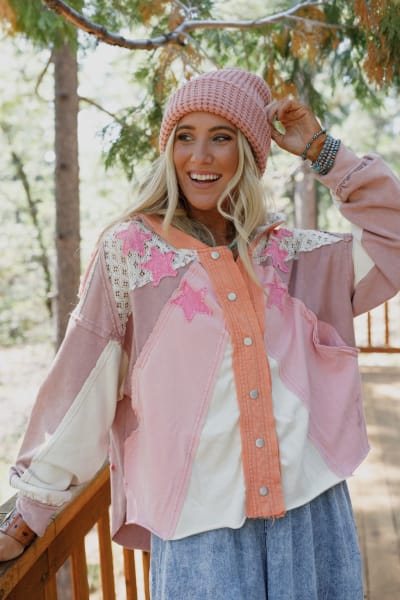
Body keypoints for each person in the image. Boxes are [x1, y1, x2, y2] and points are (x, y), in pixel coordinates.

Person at [1, 67, 399, 599]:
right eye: (185, 137)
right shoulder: (131, 254)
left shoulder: (294, 258)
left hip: (311, 517)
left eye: (222, 137)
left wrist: (322, 151)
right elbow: (82, 384)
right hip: (200, 532)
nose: (200, 156)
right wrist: (30, 511)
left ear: (249, 153)